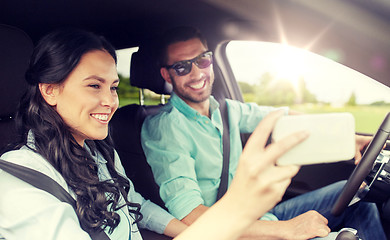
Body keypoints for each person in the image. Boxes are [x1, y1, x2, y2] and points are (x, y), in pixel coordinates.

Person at [0, 28, 305, 240]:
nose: (111, 101)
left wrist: (194, 233)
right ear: (50, 90)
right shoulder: (17, 181)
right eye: (94, 85)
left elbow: (137, 206)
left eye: (113, 87)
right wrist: (235, 214)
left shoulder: (98, 152)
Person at [141, 26, 387, 240]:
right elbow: (192, 217)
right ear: (167, 74)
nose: (196, 73)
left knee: (358, 199)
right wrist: (286, 230)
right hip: (228, 232)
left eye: (202, 60)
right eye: (182, 67)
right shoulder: (165, 129)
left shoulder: (226, 109)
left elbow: (279, 116)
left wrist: (346, 138)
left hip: (262, 216)